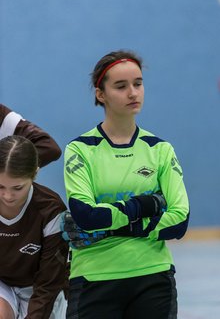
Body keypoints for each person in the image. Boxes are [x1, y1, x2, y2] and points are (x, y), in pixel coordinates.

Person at [63, 50, 190, 319]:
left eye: (138, 83)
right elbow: (86, 216)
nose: (133, 92)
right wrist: (142, 206)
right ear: (101, 94)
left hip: (152, 275)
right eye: (121, 86)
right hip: (93, 278)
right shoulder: (80, 150)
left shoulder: (160, 150)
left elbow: (180, 220)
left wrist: (117, 221)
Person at [0, 135, 69, 319]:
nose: (7, 196)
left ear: (35, 174)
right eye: (0, 187)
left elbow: (48, 283)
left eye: (17, 188)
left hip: (40, 287)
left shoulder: (51, 209)